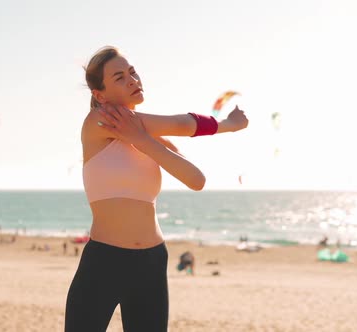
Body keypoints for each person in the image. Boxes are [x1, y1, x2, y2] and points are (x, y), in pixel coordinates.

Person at [64, 46, 248, 332]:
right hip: (104, 261)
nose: (133, 80)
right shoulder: (98, 121)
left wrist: (142, 140)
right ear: (100, 95)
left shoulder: (149, 135)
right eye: (120, 77)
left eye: (133, 73)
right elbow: (179, 122)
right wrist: (229, 125)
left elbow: (196, 180)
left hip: (150, 262)